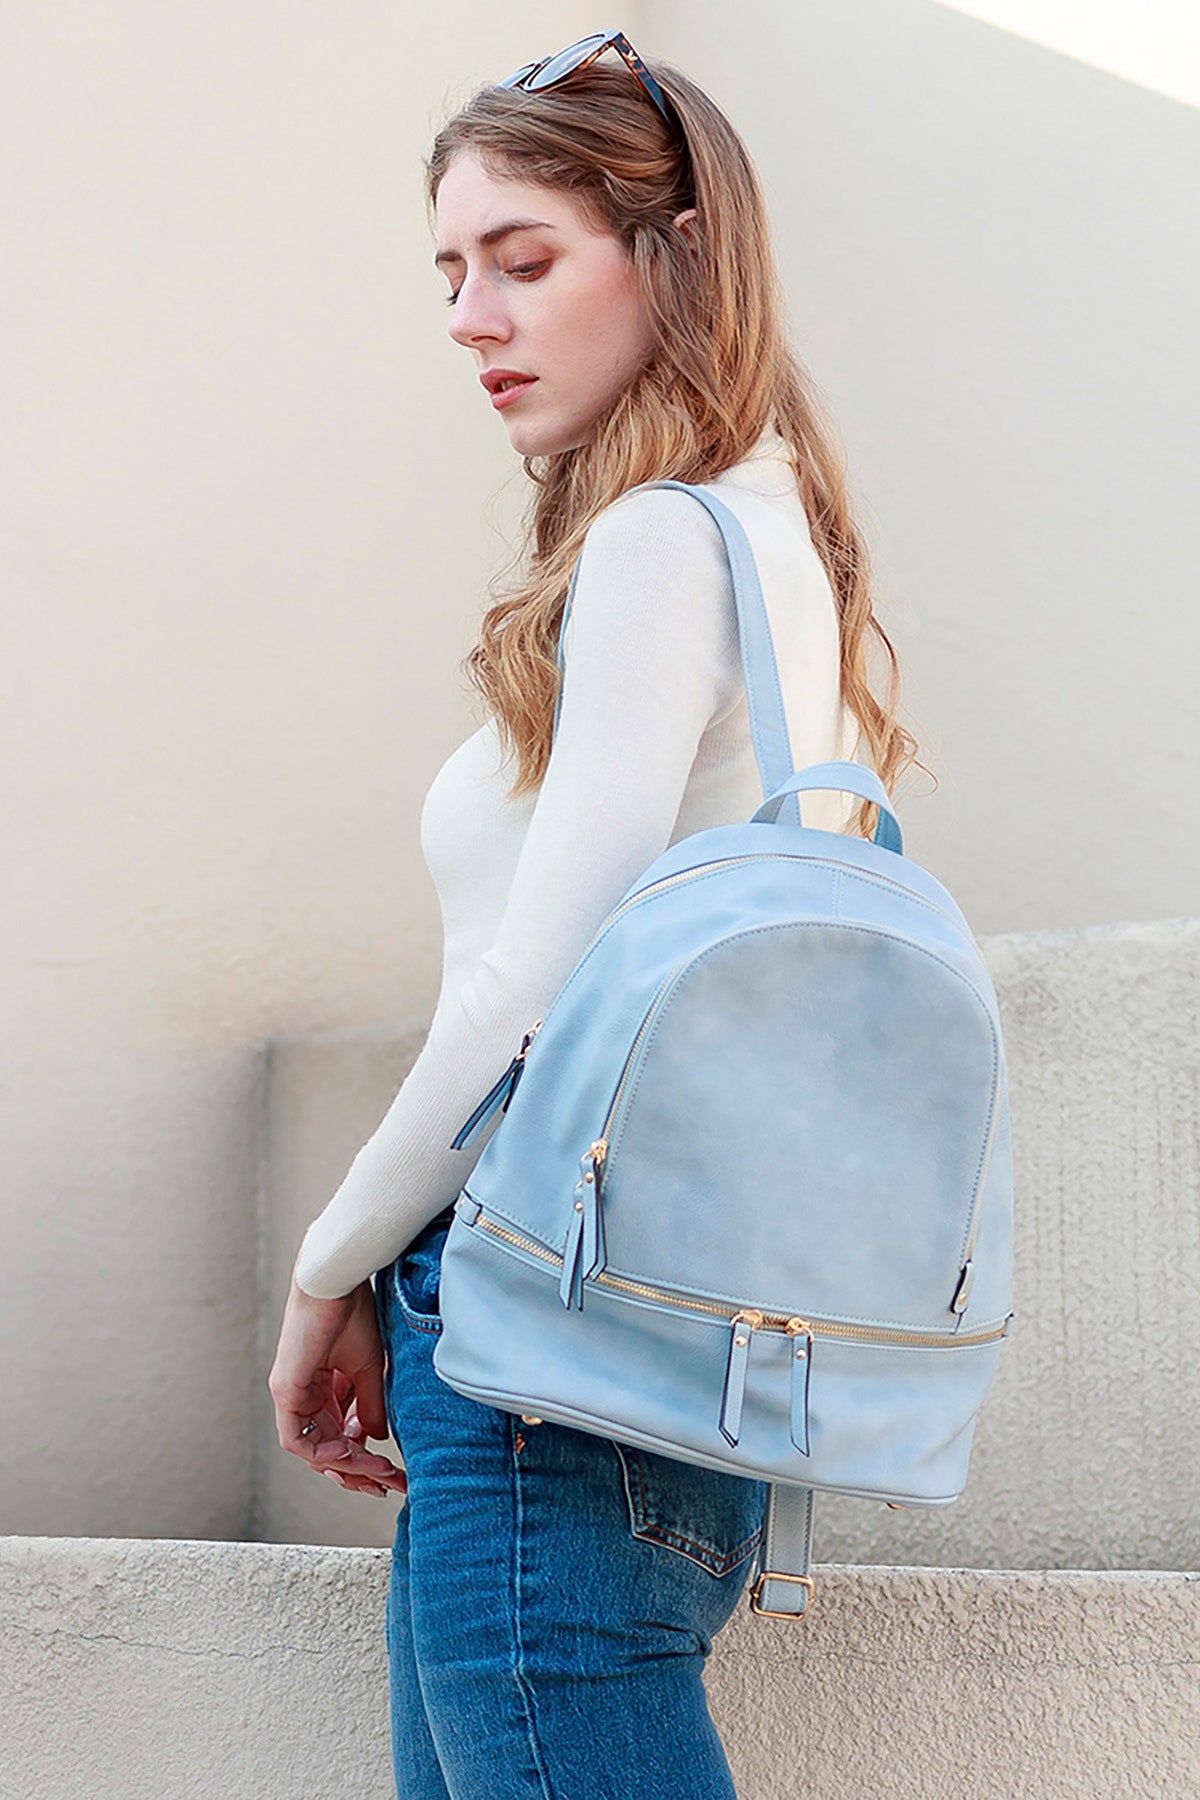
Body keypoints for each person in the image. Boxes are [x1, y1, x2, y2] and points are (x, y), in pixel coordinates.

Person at [268, 32, 922, 1799]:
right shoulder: (779, 543)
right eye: (450, 272)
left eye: (524, 259)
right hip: (672, 1326)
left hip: (543, 1341)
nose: (469, 317)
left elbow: (527, 991)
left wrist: (328, 1266)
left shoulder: (659, 542)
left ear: (677, 254)